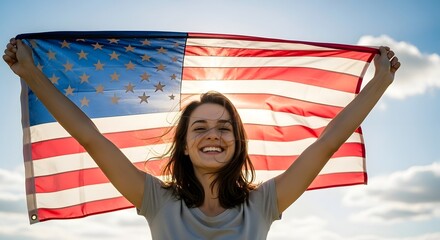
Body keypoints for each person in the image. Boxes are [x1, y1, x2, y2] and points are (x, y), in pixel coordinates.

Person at [3, 38, 400, 239]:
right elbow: (91, 138)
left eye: (224, 127)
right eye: (200, 128)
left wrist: (379, 84)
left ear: (237, 141)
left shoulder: (264, 202)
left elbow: (327, 142)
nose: (214, 136)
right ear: (185, 143)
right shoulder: (155, 199)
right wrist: (32, 75)